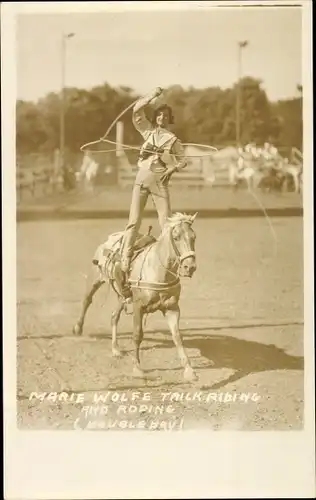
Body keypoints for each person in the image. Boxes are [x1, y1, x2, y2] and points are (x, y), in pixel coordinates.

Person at [120, 87, 187, 298]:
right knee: (134, 221)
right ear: (155, 116)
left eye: (165, 116)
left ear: (169, 119)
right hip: (141, 180)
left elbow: (183, 159)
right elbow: (136, 111)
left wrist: (172, 168)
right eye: (159, 114)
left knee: (166, 223)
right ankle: (124, 258)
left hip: (160, 182)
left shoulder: (172, 139)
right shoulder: (146, 131)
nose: (161, 118)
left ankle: (170, 261)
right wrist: (152, 96)